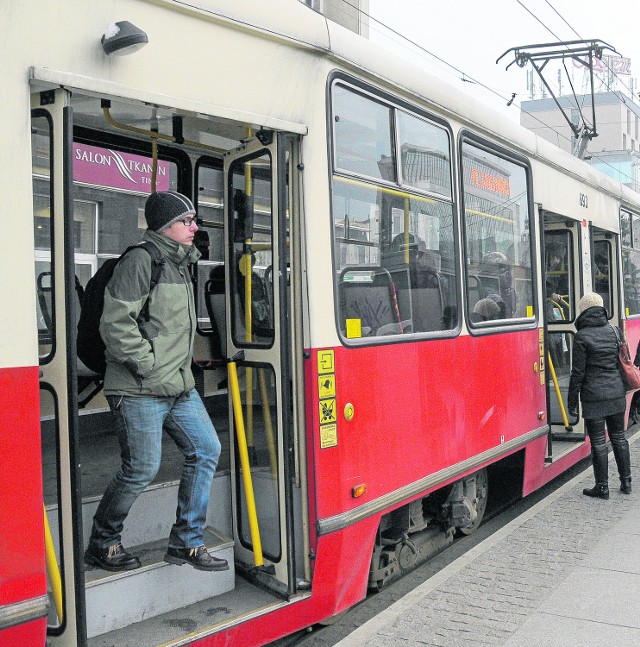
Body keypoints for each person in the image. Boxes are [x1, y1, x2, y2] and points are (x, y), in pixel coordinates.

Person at [84, 191, 228, 572]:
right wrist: (148, 366)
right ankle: (103, 541)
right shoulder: (140, 261)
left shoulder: (180, 264)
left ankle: (186, 542)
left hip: (177, 386)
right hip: (139, 387)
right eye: (188, 220)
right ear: (167, 226)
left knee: (206, 449)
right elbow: (115, 325)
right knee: (141, 469)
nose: (195, 227)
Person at [567, 292, 632, 500]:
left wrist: (572, 401)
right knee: (620, 438)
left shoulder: (582, 336)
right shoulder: (614, 330)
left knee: (598, 441)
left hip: (593, 397)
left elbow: (578, 373)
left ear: (583, 311)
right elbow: (624, 359)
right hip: (616, 393)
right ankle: (626, 482)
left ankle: (602, 487)